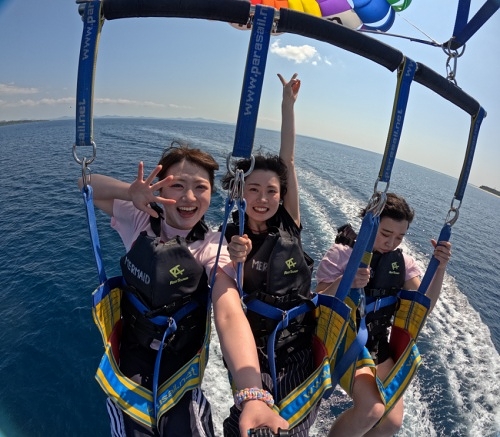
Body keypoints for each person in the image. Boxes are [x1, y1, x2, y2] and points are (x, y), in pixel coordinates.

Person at [78, 143, 288, 437]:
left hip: (182, 373)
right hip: (131, 363)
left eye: (200, 187)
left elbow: (228, 313)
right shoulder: (139, 219)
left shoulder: (212, 247)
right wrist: (130, 192)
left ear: (211, 194)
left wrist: (253, 394)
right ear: (159, 188)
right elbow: (85, 182)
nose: (189, 197)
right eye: (177, 185)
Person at [221, 73, 321, 437]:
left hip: (299, 346)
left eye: (272, 191)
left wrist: (287, 106)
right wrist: (236, 257)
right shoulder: (229, 236)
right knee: (248, 427)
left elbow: (287, 159)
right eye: (253, 189)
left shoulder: (290, 223)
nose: (263, 198)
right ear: (240, 191)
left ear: (281, 194)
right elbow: (224, 286)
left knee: (291, 428)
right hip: (255, 351)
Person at [315, 192, 452, 437]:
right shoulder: (341, 255)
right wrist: (346, 281)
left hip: (377, 345)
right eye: (386, 234)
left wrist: (440, 268)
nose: (391, 243)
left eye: (399, 237)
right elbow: (318, 302)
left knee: (391, 423)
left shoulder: (404, 263)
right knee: (371, 410)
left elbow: (424, 307)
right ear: (369, 226)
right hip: (344, 342)